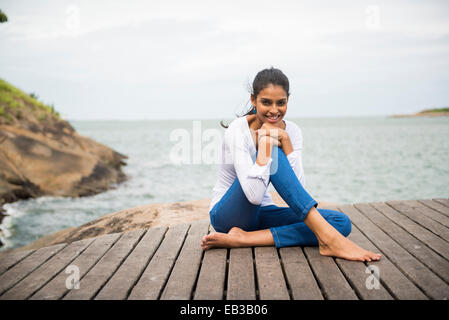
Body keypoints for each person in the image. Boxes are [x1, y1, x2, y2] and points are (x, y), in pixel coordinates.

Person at [201, 67, 381, 262]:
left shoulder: (292, 131)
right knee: (274, 154)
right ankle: (329, 240)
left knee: (340, 222)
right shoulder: (237, 130)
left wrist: (286, 143)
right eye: (266, 102)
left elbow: (299, 192)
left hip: (263, 214)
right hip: (228, 216)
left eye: (281, 103)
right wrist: (265, 150)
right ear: (253, 100)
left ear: (288, 100)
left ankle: (245, 239)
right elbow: (253, 196)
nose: (274, 110)